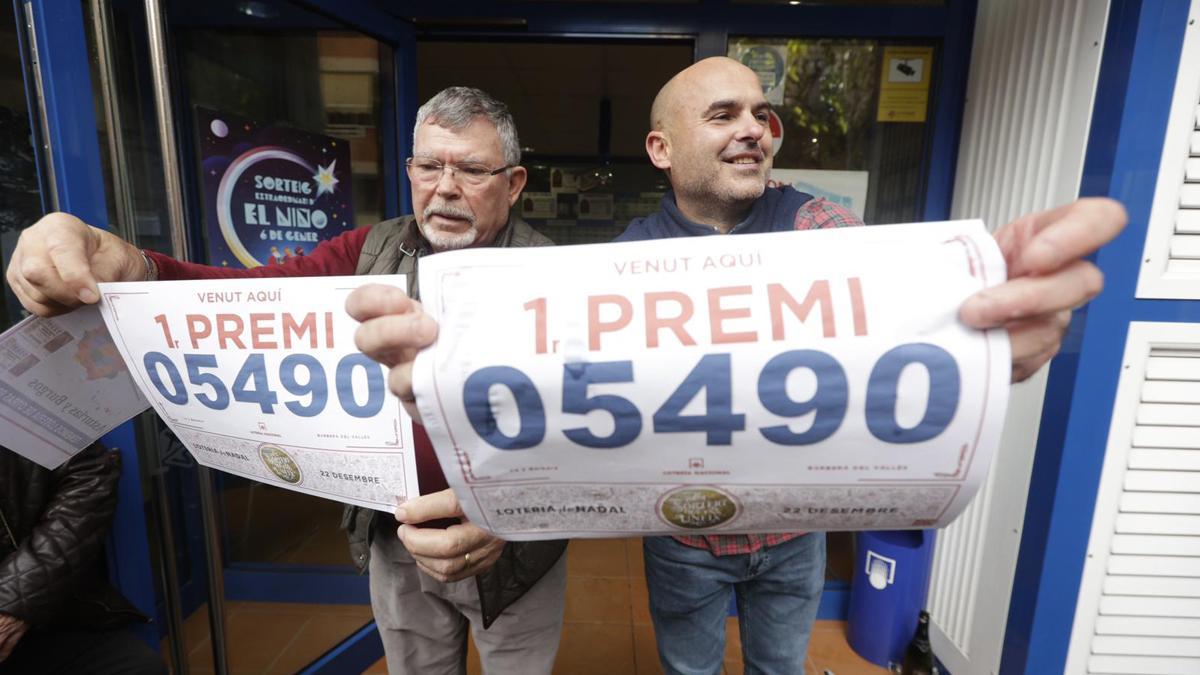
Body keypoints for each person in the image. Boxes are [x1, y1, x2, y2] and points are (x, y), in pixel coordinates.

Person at [344, 58, 1124, 675]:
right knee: (689, 666)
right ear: (662, 148)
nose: (755, 130)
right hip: (686, 538)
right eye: (723, 115)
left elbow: (890, 313)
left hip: (794, 538)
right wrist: (502, 496)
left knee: (782, 664)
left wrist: (978, 332)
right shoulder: (623, 263)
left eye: (763, 114)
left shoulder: (820, 225)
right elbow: (571, 409)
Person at [4, 86, 568, 675]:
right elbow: (246, 304)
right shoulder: (368, 250)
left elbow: (582, 434)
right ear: (411, 170)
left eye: (472, 169)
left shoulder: (554, 277)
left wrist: (513, 509)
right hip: (394, 534)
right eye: (429, 166)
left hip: (514, 552)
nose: (445, 187)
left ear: (515, 182)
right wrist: (137, 269)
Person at [0, 443, 165, 675]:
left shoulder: (18, 410)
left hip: (41, 608)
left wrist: (13, 602)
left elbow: (90, 474)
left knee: (139, 667)